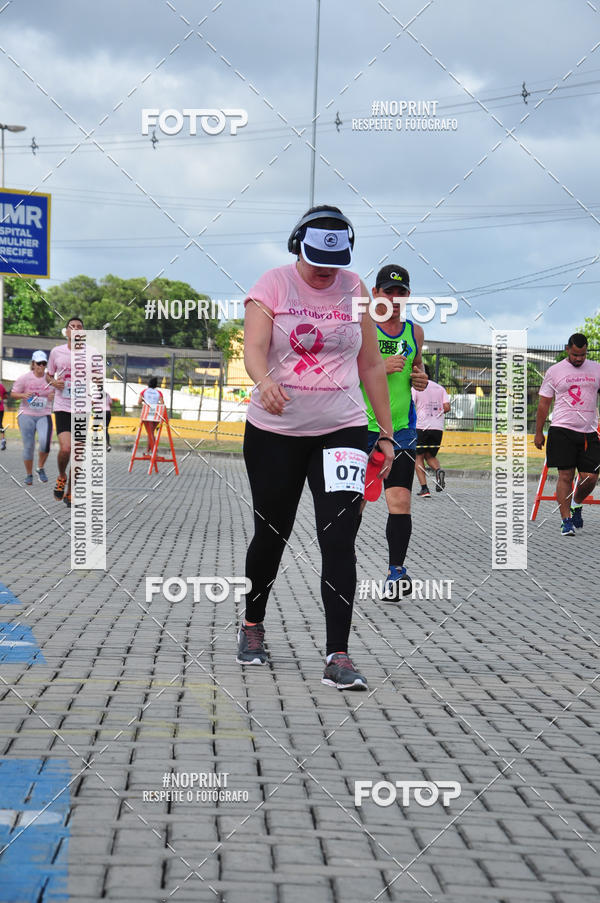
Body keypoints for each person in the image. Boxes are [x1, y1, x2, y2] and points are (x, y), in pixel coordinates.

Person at [241, 205, 394, 691]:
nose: (326, 270)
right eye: (315, 260)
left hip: (342, 430)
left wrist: (385, 433)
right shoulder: (274, 284)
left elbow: (370, 365)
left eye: (335, 260)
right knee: (272, 533)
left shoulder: (356, 290)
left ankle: (338, 654)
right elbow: (253, 348)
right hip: (275, 433)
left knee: (339, 538)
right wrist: (264, 381)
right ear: (297, 247)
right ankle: (252, 625)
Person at [358, 265, 428, 598]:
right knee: (354, 503)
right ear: (375, 293)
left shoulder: (415, 333)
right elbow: (339, 373)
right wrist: (378, 367)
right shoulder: (361, 327)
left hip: (400, 429)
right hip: (360, 427)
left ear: (408, 296)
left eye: (401, 293)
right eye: (388, 292)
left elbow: (418, 370)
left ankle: (395, 572)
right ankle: (342, 563)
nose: (394, 298)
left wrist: (422, 379)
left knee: (399, 500)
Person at [534, 333, 600, 536]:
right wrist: (538, 432)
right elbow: (544, 403)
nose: (579, 358)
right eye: (575, 355)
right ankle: (566, 521)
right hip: (562, 430)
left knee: (591, 477)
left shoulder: (597, 369)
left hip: (589, 431)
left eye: (582, 354)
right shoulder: (555, 371)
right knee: (565, 476)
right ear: (567, 350)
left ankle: (576, 502)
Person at [45, 317, 84, 507]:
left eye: (79, 327)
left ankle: (71, 493)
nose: (75, 329)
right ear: (67, 331)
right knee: (66, 449)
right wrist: (53, 383)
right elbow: (48, 375)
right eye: (72, 327)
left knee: (77, 454)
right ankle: (61, 476)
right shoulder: (56, 352)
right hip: (62, 406)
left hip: (82, 409)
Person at [11, 351, 54, 484]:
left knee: (44, 442)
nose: (41, 366)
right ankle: (29, 475)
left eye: (44, 363)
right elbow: (13, 394)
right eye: (38, 363)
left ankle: (40, 467)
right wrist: (23, 395)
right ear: (33, 364)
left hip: (44, 415)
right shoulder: (24, 378)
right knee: (29, 446)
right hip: (26, 415)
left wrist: (54, 396)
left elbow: (59, 393)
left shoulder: (51, 379)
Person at [413, 364, 451, 497]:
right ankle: (438, 470)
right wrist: (436, 411)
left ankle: (424, 489)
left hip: (421, 427)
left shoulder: (416, 388)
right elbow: (447, 407)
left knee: (418, 457)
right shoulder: (440, 388)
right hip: (437, 428)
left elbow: (411, 406)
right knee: (430, 455)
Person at [139, 377, 164, 453]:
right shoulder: (159, 393)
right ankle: (148, 450)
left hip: (147, 414)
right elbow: (162, 403)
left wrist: (144, 400)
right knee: (151, 432)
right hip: (156, 414)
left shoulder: (144, 391)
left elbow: (139, 402)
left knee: (150, 433)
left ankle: (154, 450)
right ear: (156, 385)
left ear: (148, 384)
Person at [0, 379, 8, 450]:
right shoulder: (1, 386)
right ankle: (3, 440)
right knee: (0, 424)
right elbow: (6, 396)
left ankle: (2, 441)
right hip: (1, 409)